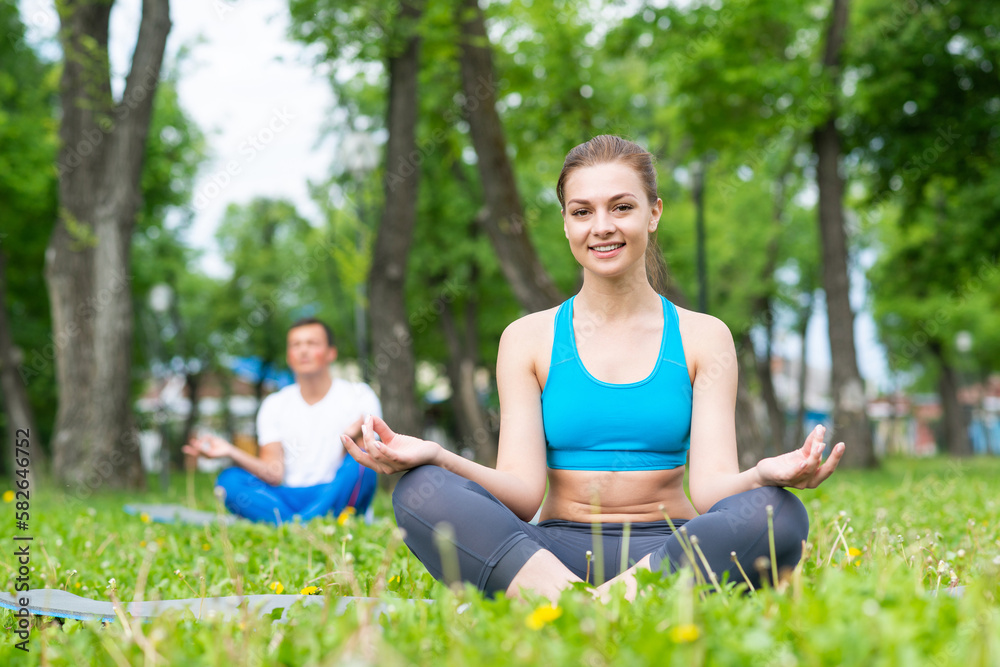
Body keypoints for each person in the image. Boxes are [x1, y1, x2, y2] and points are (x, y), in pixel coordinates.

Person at [341, 135, 845, 601]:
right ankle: (600, 604)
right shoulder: (527, 338)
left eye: (621, 207)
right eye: (582, 211)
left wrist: (763, 474)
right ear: (566, 224)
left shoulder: (704, 336)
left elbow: (711, 490)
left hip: (669, 553)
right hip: (546, 554)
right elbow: (520, 494)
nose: (601, 226)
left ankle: (581, 608)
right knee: (418, 491)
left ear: (653, 213)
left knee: (778, 514)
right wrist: (435, 455)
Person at [183, 317, 380, 524]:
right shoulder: (274, 404)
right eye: (296, 345)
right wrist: (230, 451)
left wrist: (350, 439)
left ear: (331, 353)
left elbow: (370, 461)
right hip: (287, 497)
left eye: (312, 343)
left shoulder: (360, 396)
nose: (303, 350)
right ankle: (308, 524)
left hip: (334, 492)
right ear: (289, 356)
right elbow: (273, 473)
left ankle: (293, 525)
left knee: (364, 459)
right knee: (229, 482)